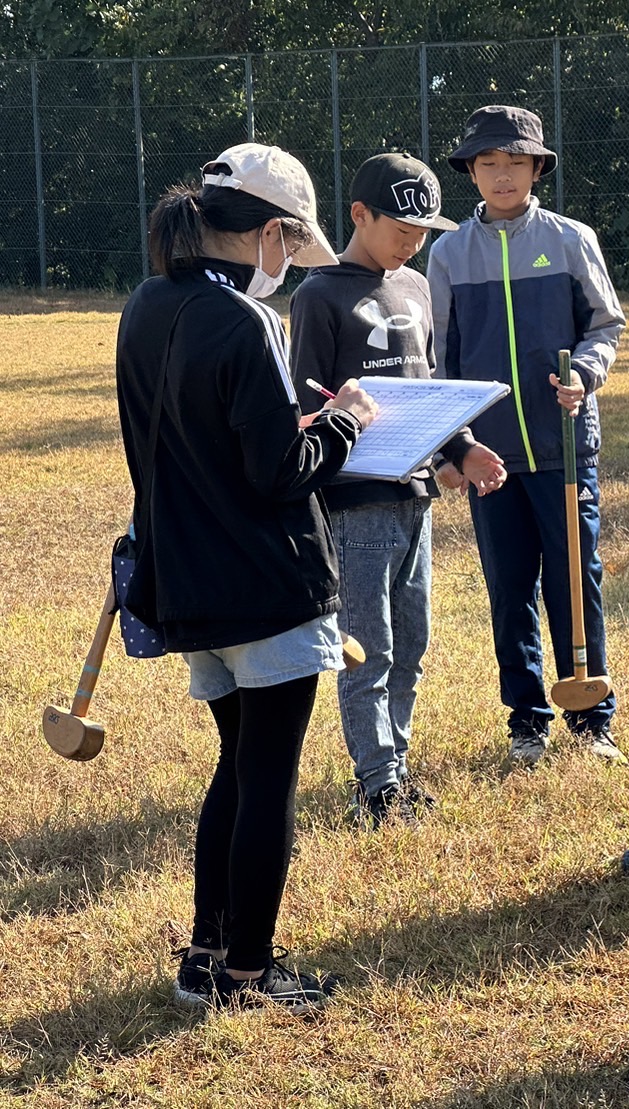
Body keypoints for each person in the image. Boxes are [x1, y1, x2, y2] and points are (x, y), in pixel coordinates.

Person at [116, 142, 379, 1013]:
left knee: (236, 766)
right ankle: (249, 973)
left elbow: (201, 439)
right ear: (270, 232)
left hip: (189, 584)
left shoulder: (145, 305)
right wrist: (343, 423)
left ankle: (206, 954)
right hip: (267, 584)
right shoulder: (247, 322)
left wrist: (293, 425)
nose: (287, 269)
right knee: (267, 779)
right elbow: (280, 470)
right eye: (288, 248)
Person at [290, 152, 507, 827]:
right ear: (358, 215)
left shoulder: (413, 289)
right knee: (367, 649)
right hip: (355, 505)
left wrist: (463, 449)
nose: (412, 241)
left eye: (421, 230)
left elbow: (426, 392)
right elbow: (304, 406)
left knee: (411, 644)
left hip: (417, 499)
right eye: (400, 227)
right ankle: (377, 786)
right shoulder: (318, 295)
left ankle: (397, 770)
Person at [428, 105, 627, 768]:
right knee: (508, 588)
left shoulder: (570, 240)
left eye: (514, 161)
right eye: (488, 163)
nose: (501, 174)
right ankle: (526, 720)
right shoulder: (450, 254)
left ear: (537, 167)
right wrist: (453, 447)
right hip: (492, 461)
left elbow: (604, 324)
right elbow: (441, 362)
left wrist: (588, 374)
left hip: (565, 448)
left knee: (576, 580)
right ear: (472, 172)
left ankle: (591, 715)